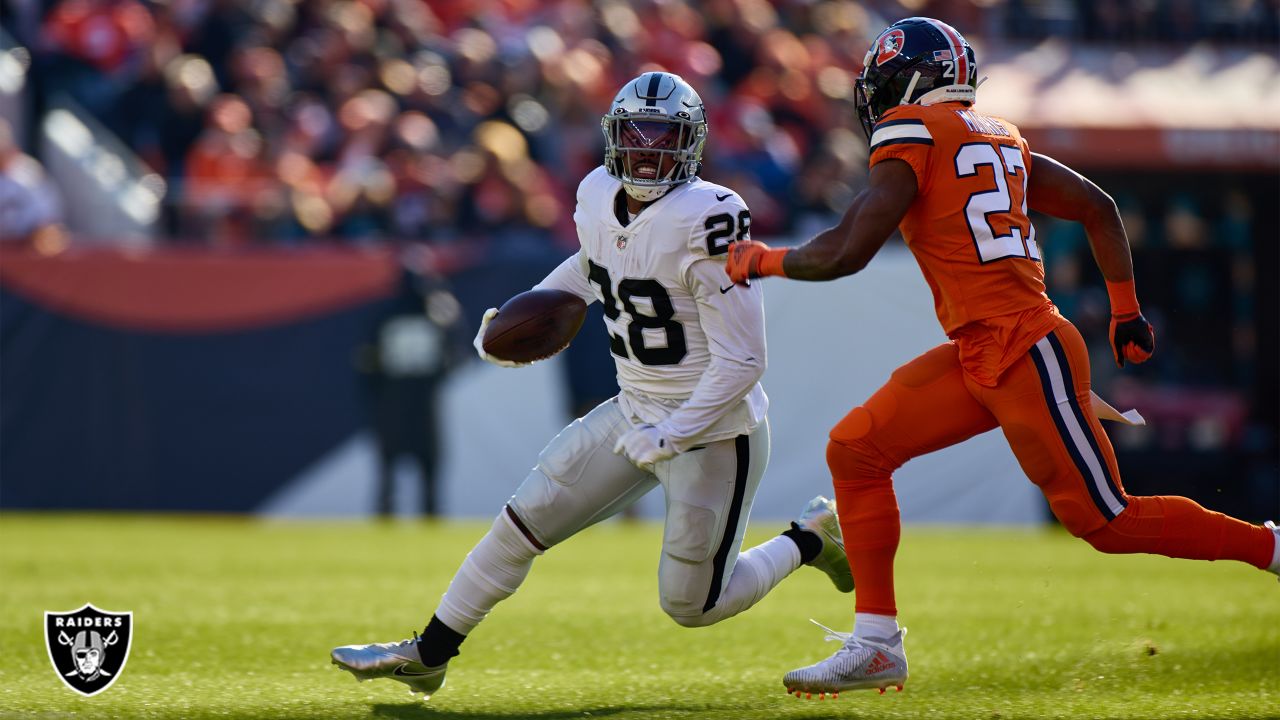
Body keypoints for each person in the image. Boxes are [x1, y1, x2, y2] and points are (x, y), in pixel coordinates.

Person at [725, 17, 1280, 699]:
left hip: (1024, 348)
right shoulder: (1002, 138)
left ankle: (1271, 548)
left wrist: (762, 261)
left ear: (909, 82)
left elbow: (846, 251)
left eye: (884, 84)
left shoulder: (913, 132)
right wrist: (1126, 310)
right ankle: (876, 643)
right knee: (856, 450)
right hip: (983, 349)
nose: (875, 99)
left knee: (1107, 522)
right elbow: (1098, 207)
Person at [331, 71, 854, 700]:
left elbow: (744, 361)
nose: (648, 150)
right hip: (635, 408)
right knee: (522, 521)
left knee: (692, 605)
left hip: (715, 431)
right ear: (612, 138)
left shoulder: (712, 216)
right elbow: (590, 267)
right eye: (636, 134)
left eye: (665, 136)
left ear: (691, 144)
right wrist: (523, 314)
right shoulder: (596, 193)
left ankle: (810, 537)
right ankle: (429, 653)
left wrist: (674, 433)